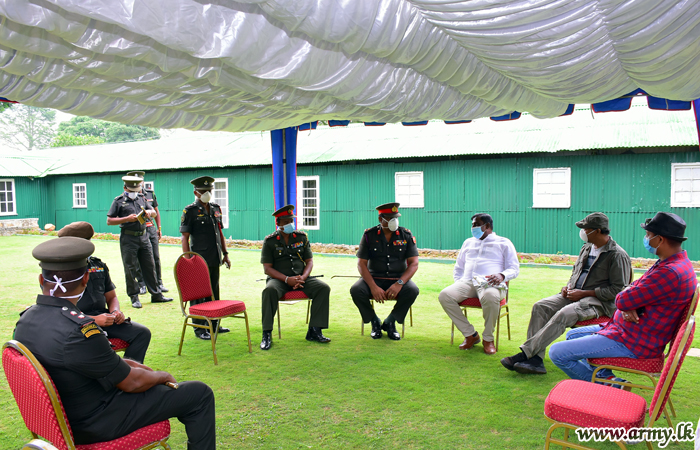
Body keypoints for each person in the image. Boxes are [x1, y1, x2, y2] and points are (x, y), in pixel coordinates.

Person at [14, 237, 216, 449]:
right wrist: (162, 376)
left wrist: (132, 365)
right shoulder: (80, 331)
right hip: (96, 421)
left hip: (62, 418)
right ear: (85, 279)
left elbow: (90, 363)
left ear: (41, 279)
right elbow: (132, 383)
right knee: (199, 394)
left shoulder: (26, 320)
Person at [549, 212, 697, 382]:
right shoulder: (676, 264)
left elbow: (622, 298)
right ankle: (608, 379)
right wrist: (629, 303)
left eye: (648, 235)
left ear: (660, 239)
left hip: (633, 341)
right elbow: (631, 288)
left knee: (557, 352)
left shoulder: (669, 272)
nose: (646, 239)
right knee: (573, 335)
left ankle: (609, 388)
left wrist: (628, 303)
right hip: (627, 330)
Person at [501, 212, 631, 374]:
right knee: (540, 306)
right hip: (574, 294)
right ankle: (536, 360)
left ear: (598, 230)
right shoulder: (586, 247)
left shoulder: (617, 255)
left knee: (564, 314)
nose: (583, 232)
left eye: (586, 229)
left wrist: (584, 294)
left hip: (598, 303)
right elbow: (576, 272)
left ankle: (526, 354)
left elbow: (619, 290)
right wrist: (568, 287)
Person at [57, 221, 152, 363]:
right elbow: (59, 310)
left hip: (104, 318)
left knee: (141, 333)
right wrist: (93, 320)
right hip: (76, 323)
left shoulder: (98, 265)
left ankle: (130, 372)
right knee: (98, 342)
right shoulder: (60, 271)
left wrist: (115, 312)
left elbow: (111, 297)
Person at [438, 213, 519, 354]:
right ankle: (470, 335)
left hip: (490, 283)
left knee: (490, 296)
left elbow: (514, 268)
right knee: (445, 295)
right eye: (472, 225)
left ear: (487, 226)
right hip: (467, 282)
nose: (473, 228)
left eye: (476, 225)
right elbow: (459, 267)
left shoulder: (503, 242)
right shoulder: (468, 242)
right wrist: (459, 283)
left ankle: (488, 339)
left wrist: (502, 275)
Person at [259, 204, 331, 350]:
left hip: (301, 278)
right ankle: (266, 334)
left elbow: (309, 261)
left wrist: (303, 277)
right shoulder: (270, 241)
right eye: (286, 221)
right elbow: (267, 268)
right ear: (278, 223)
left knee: (323, 288)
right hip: (279, 280)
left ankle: (315, 330)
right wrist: (287, 280)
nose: (289, 224)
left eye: (291, 220)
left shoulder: (301, 237)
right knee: (269, 291)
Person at [350, 202, 419, 341]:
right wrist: (373, 287)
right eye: (390, 218)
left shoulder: (405, 235)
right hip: (374, 278)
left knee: (412, 290)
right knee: (356, 290)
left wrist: (399, 283)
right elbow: (361, 264)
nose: (394, 221)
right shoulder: (369, 235)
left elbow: (414, 264)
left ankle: (390, 322)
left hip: (398, 279)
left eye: (396, 217)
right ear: (380, 219)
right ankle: (374, 321)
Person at [106, 175, 172, 308]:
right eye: (132, 190)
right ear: (125, 188)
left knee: (150, 266)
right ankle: (134, 297)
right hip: (128, 238)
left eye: (136, 189)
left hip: (144, 236)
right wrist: (126, 219)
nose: (134, 192)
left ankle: (156, 294)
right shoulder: (118, 201)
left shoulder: (141, 198)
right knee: (130, 268)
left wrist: (149, 212)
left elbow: (154, 212)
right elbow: (109, 220)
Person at [180, 176, 232, 340]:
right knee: (199, 294)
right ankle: (200, 328)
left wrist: (225, 254)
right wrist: (188, 260)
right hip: (198, 260)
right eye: (203, 191)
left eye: (209, 190)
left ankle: (215, 324)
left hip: (214, 257)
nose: (207, 193)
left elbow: (220, 233)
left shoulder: (216, 208)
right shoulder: (190, 211)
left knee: (214, 292)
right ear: (196, 192)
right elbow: (184, 237)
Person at [127, 171, 168, 295]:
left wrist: (159, 228)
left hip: (150, 229)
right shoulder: (128, 197)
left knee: (155, 257)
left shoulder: (150, 194)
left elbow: (156, 211)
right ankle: (142, 284)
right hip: (139, 230)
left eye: (140, 181)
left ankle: (158, 283)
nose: (139, 183)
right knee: (139, 260)